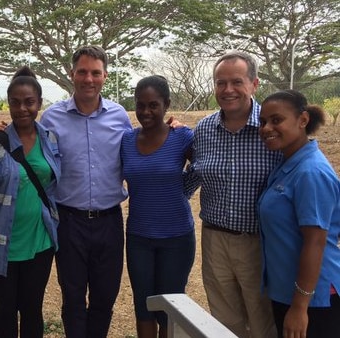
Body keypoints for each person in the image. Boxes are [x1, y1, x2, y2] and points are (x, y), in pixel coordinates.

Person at [38, 45, 132, 338]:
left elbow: (139, 150)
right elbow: (32, 151)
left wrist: (175, 129)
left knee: (105, 298)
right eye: (82, 72)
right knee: (73, 299)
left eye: (95, 73)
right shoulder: (51, 118)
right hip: (69, 222)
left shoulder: (119, 117)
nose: (88, 79)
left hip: (109, 222)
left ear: (105, 76)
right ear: (71, 74)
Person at [189, 51, 281, 337]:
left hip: (259, 243)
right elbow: (192, 177)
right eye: (220, 83)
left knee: (263, 321)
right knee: (224, 322)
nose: (228, 90)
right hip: (215, 240)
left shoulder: (273, 129)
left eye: (236, 82)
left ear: (254, 84)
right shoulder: (203, 129)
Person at [0, 66, 61, 338]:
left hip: (40, 240)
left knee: (32, 308)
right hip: (3, 241)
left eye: (29, 102)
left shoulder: (50, 140)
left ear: (39, 103)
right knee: (6, 310)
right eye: (15, 102)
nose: (22, 109)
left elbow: (52, 185)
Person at [258, 90, 340, 338]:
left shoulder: (310, 172)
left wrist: (300, 307)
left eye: (276, 120)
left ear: (303, 120)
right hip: (287, 291)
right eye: (263, 122)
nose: (266, 128)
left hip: (313, 300)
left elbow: (315, 242)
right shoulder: (288, 164)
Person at [120, 75, 195, 338]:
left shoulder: (183, 136)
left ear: (166, 105)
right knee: (143, 305)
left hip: (176, 238)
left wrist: (183, 190)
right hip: (140, 237)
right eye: (140, 105)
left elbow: (202, 166)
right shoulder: (127, 141)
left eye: (153, 105)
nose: (146, 112)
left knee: (170, 306)